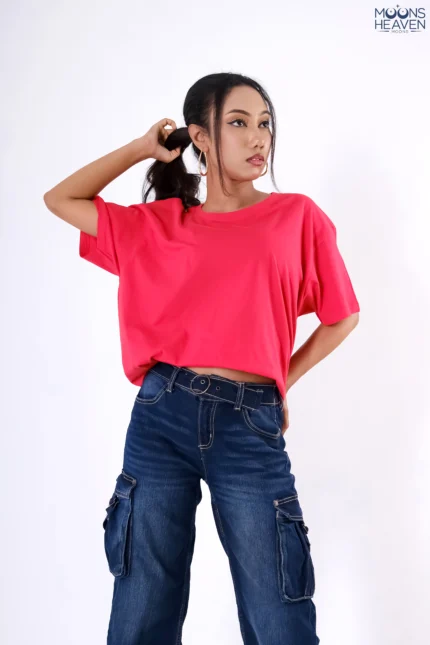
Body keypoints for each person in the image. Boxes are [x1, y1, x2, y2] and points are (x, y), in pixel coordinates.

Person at [43, 71, 360, 645]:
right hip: (160, 416)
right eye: (238, 123)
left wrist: (281, 382)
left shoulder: (297, 217)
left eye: (264, 123)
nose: (258, 137)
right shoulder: (160, 225)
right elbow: (60, 199)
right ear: (201, 137)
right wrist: (142, 148)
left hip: (250, 424)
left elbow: (342, 316)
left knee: (278, 611)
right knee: (142, 604)